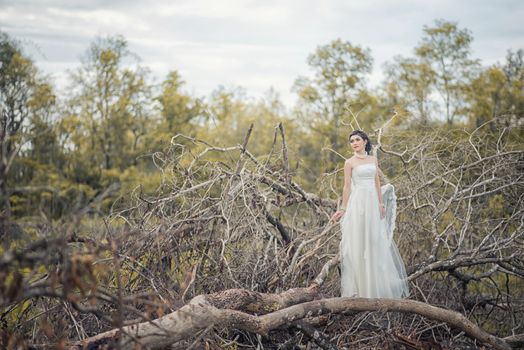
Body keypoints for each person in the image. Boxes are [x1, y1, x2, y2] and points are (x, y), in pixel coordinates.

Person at [331, 130, 409, 298]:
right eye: (351, 141)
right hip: (358, 204)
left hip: (372, 203)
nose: (354, 143)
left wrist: (381, 204)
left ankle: (377, 287)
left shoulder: (373, 159)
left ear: (365, 141)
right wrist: (343, 209)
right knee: (359, 243)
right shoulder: (349, 162)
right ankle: (361, 290)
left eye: (357, 139)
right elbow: (346, 186)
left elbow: (376, 181)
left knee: (374, 240)